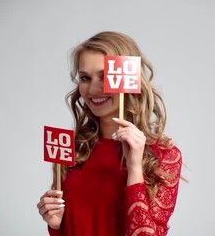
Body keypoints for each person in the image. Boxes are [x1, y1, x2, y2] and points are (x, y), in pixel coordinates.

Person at [37, 31, 182, 236]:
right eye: (85, 78)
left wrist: (134, 168)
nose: (93, 89)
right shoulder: (72, 149)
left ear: (129, 78)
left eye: (105, 77)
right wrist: (56, 224)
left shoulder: (165, 155)